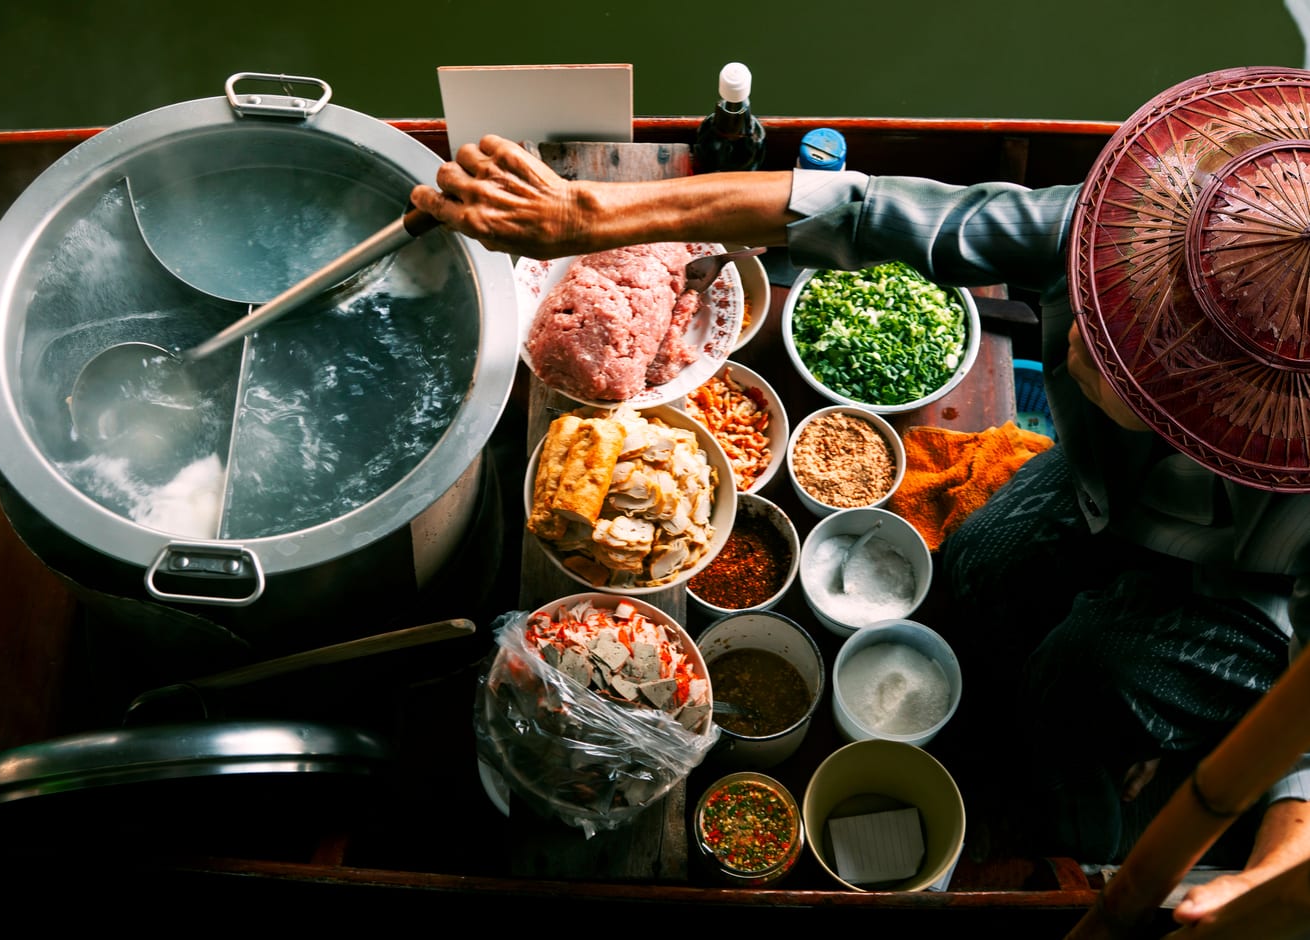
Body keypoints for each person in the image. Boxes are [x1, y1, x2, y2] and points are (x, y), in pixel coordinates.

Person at [410, 67, 1310, 931]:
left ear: (1217, 414)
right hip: (1099, 486)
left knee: (1083, 682)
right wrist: (592, 212)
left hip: (1248, 594)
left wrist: (1283, 855)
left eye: (1126, 363)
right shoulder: (1134, 233)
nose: (1084, 334)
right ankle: (987, 701)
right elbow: (863, 208)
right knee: (975, 563)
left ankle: (1070, 820)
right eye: (1104, 310)